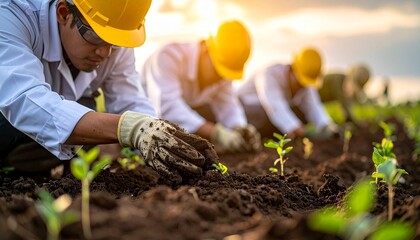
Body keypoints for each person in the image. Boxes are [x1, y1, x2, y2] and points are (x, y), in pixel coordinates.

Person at [0, 0, 218, 184]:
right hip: (7, 115)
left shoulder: (115, 40)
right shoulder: (12, 16)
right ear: (63, 12)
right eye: (96, 38)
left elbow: (130, 100)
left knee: (87, 109)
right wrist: (129, 129)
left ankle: (34, 172)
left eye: (114, 43)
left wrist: (161, 136)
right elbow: (23, 99)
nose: (105, 53)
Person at [140, 20, 261, 153]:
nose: (221, 78)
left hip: (188, 113)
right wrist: (216, 132)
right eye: (218, 71)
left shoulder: (221, 72)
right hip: (146, 116)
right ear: (205, 49)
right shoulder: (168, 57)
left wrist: (239, 127)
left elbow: (228, 105)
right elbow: (168, 108)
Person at [237, 47, 338, 139]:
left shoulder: (304, 84)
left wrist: (326, 126)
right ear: (292, 69)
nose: (302, 87)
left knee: (300, 113)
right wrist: (296, 128)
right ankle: (252, 136)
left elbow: (314, 106)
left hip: (271, 111)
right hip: (246, 107)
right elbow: (274, 107)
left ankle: (276, 133)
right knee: (265, 117)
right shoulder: (269, 74)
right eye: (300, 83)